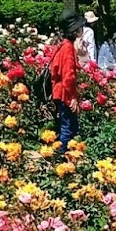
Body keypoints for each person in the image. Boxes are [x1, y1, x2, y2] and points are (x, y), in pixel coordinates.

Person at [49, 17, 81, 152]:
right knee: (68, 127)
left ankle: (63, 157)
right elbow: (68, 75)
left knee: (65, 124)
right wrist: (73, 97)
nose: (81, 31)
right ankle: (62, 159)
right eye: (79, 29)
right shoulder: (68, 47)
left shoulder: (61, 45)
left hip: (58, 91)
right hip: (64, 93)